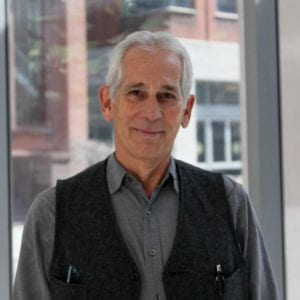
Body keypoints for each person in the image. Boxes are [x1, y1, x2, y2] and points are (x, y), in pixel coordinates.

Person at [13, 31, 278, 300]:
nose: (152, 113)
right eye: (136, 93)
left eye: (167, 96)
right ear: (107, 103)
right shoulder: (52, 214)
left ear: (186, 110)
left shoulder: (231, 204)